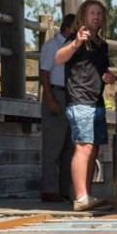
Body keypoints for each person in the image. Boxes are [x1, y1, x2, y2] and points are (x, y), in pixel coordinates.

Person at [54, 0, 117, 212]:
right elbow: (58, 58)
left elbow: (102, 72)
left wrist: (109, 78)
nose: (96, 17)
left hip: (97, 101)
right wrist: (76, 43)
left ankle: (87, 194)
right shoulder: (75, 38)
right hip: (79, 100)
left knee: (94, 148)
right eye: (92, 13)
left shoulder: (102, 44)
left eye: (99, 13)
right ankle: (80, 197)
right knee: (84, 146)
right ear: (84, 15)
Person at [38, 13, 76, 203]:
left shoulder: (73, 47)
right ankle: (49, 190)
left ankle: (64, 189)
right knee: (53, 145)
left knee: (69, 146)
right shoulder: (51, 46)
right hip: (56, 93)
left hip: (72, 95)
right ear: (69, 29)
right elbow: (44, 73)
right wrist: (50, 99)